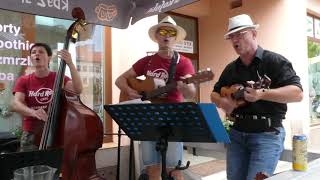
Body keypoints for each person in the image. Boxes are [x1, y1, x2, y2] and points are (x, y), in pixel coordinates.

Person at [210, 14, 303, 180]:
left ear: (254, 34)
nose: (235, 40)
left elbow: (297, 93)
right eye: (232, 36)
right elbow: (214, 93)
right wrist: (222, 102)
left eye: (240, 34)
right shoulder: (231, 68)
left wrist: (263, 94)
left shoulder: (274, 61)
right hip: (237, 134)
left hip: (267, 134)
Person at [115, 16, 196, 180]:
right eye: (163, 31)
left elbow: (191, 93)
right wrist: (130, 91)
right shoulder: (147, 61)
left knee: (174, 169)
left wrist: (185, 86)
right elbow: (119, 80)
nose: (167, 35)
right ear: (157, 36)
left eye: (171, 32)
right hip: (149, 118)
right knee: (153, 168)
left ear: (175, 38)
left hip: (172, 119)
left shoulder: (183, 62)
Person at [11, 43, 83, 151]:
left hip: (55, 130)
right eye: (33, 52)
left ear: (49, 57)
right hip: (32, 132)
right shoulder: (24, 80)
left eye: (41, 52)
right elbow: (16, 104)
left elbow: (78, 90)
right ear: (31, 58)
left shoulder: (58, 77)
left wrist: (70, 63)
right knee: (30, 166)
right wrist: (33, 112)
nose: (36, 54)